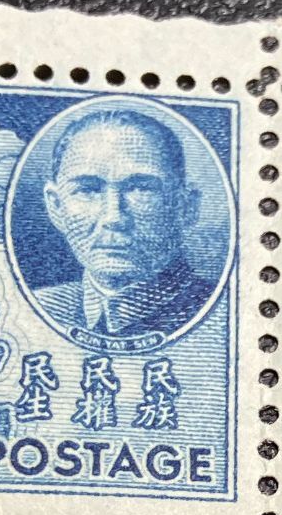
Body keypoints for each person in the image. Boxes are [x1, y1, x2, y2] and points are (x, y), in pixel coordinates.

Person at [32, 106, 213, 341]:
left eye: (140, 188)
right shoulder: (36, 308)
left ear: (185, 207)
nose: (114, 218)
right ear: (56, 207)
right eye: (88, 190)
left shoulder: (222, 311)